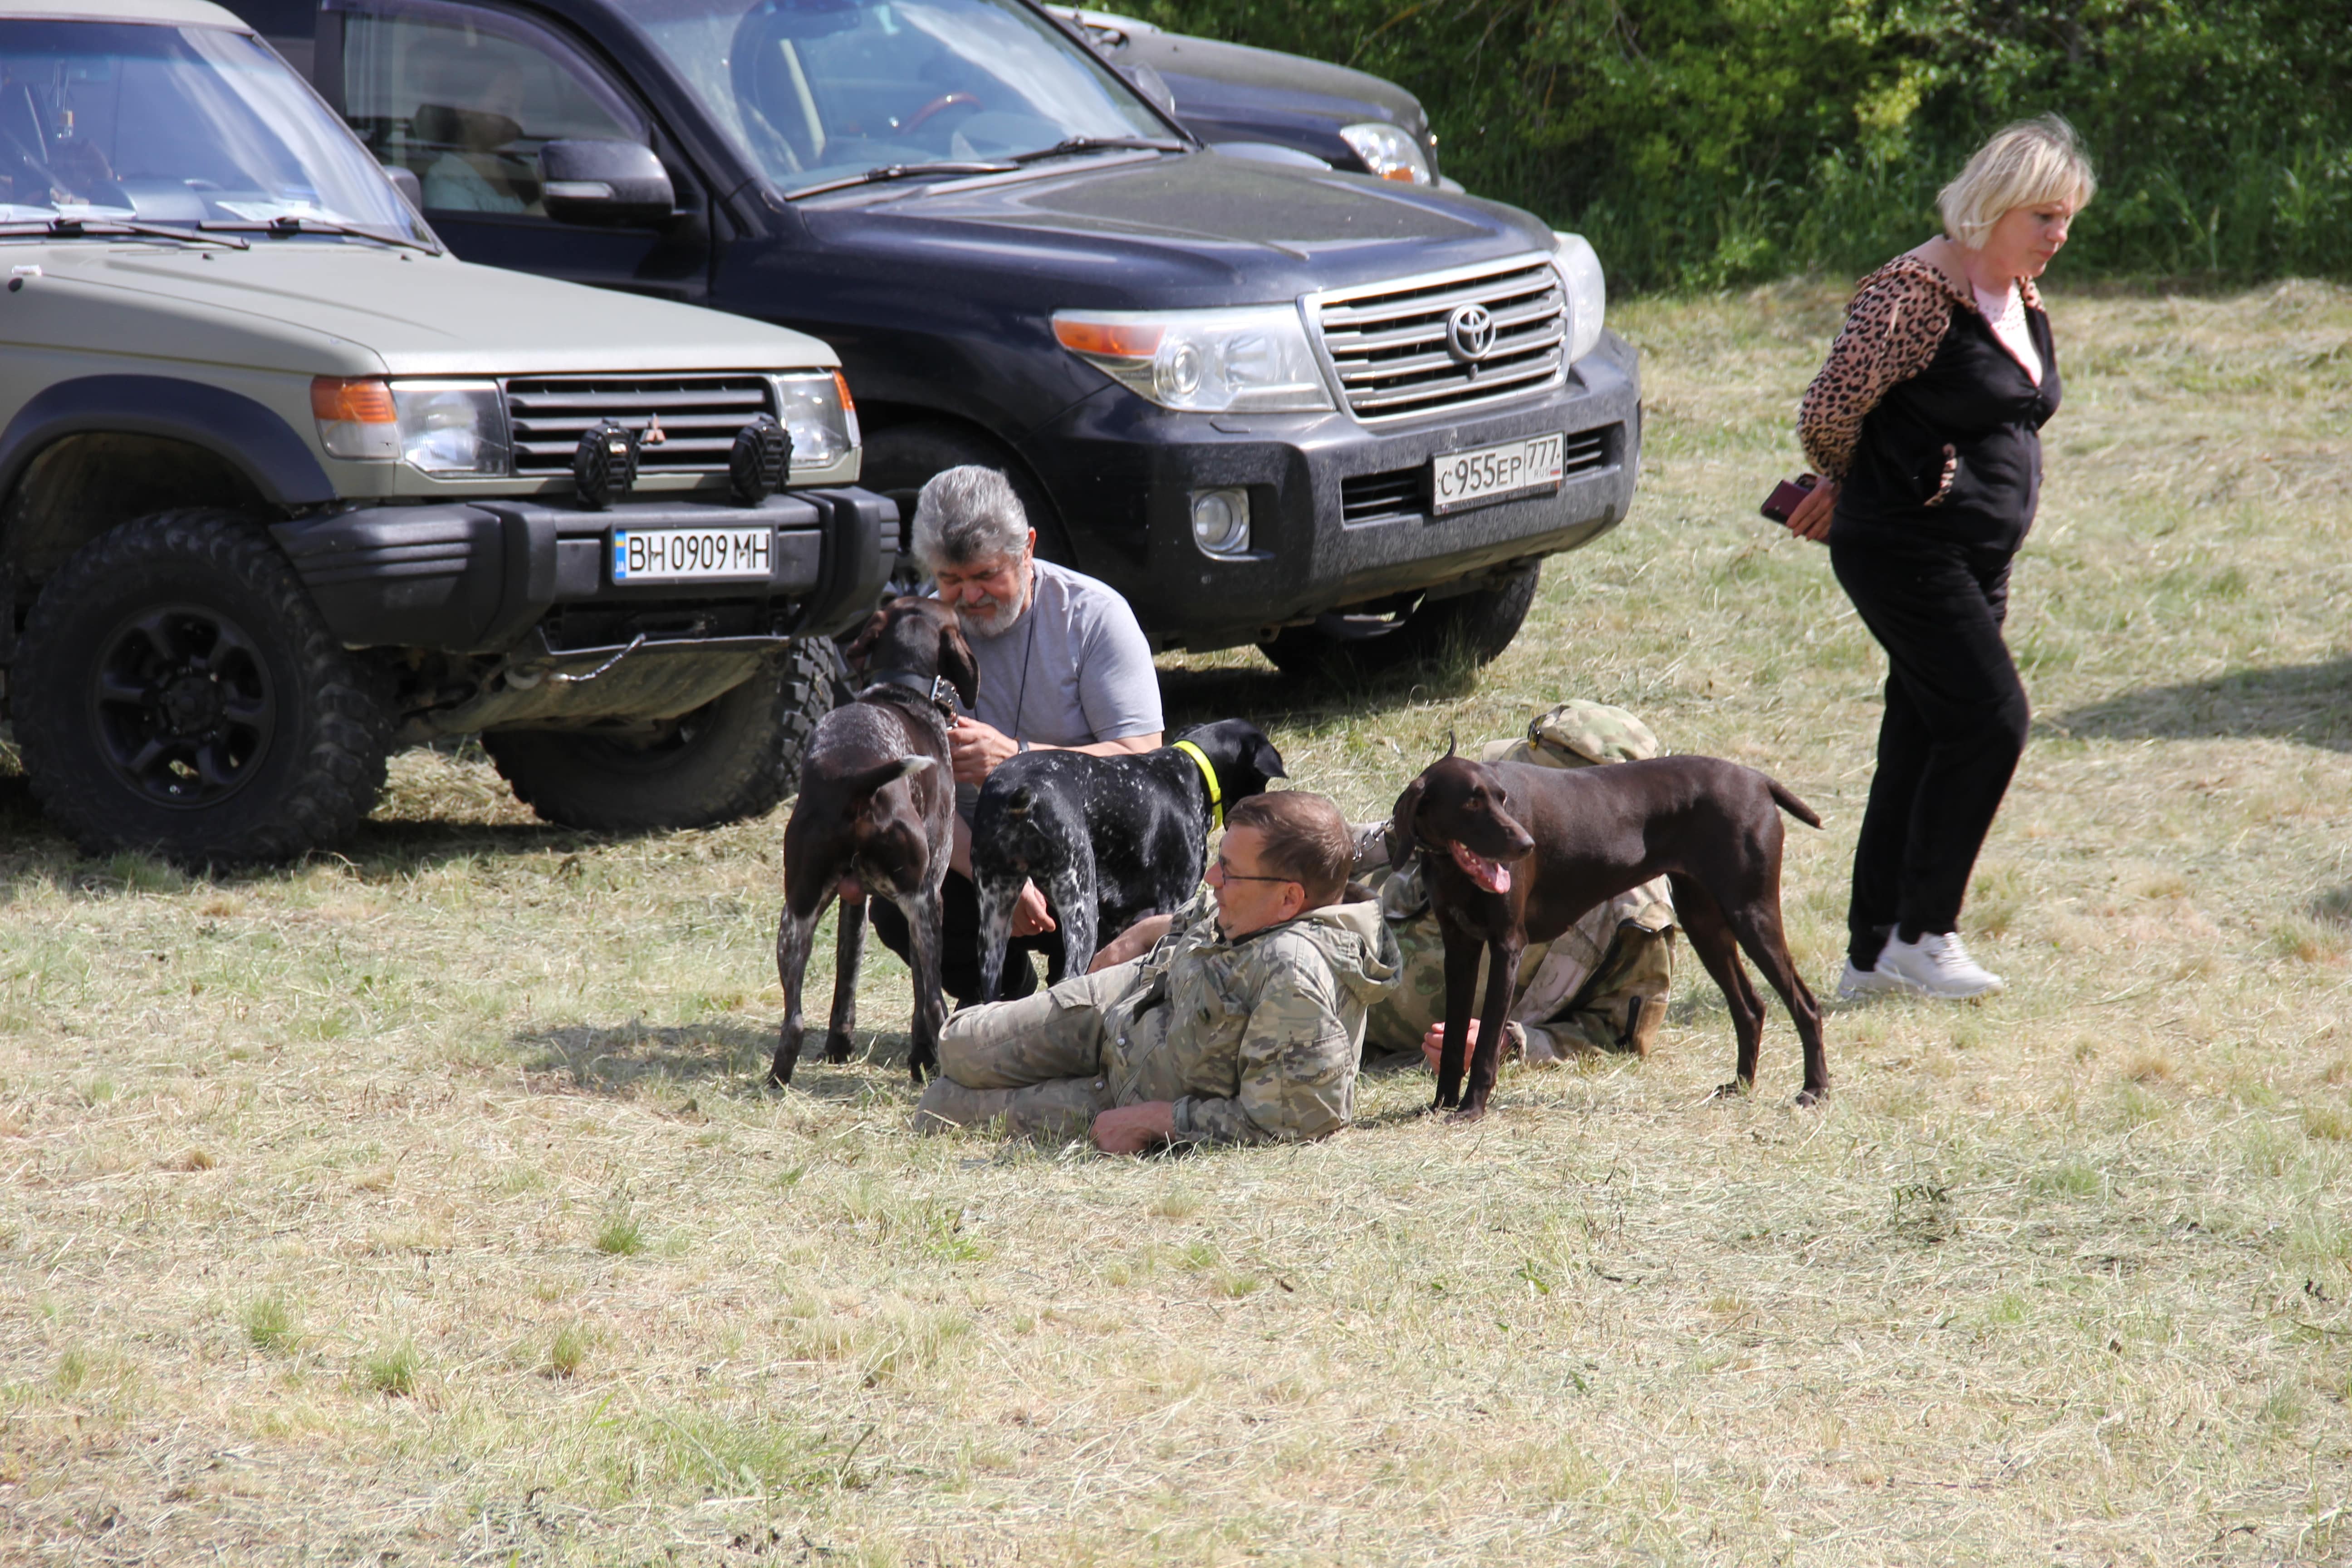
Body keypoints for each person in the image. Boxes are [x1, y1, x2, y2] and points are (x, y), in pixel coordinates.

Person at [1784, 115, 2094, 1000]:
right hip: (1904, 546)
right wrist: (1854, 482)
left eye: (2067, 219)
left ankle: (1869, 958)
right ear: (1992, 205)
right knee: (1991, 722)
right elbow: (1828, 408)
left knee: (1920, 738)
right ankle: (1925, 933)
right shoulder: (1912, 294)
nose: (2058, 236)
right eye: (2043, 217)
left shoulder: (2018, 293)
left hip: (1975, 555)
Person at [913, 791, 1401, 1152]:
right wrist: (1142, 935)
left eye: (1230, 872)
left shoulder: (1295, 976)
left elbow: (1288, 1120)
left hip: (1123, 1091)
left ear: (1290, 899)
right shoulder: (1259, 906)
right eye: (1220, 861)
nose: (1212, 878)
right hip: (1123, 1007)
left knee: (940, 1107)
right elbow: (1198, 918)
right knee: (955, 1045)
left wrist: (1157, 1122)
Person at [865, 465, 1163, 1003]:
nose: (969, 595)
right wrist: (992, 873)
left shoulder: (1094, 617)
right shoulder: (918, 634)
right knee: (897, 894)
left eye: (986, 575)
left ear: (1027, 548)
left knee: (1095, 1001)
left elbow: (1143, 763)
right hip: (974, 855)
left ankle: (1077, 991)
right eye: (950, 580)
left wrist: (1018, 759)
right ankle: (1003, 992)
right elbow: (910, 794)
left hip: (1094, 857)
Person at [1352, 701, 1676, 1072]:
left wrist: (1510, 1044)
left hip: (1364, 1036)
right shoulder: (1469, 819)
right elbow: (1380, 843)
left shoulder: (1635, 907)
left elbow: (1620, 1033)